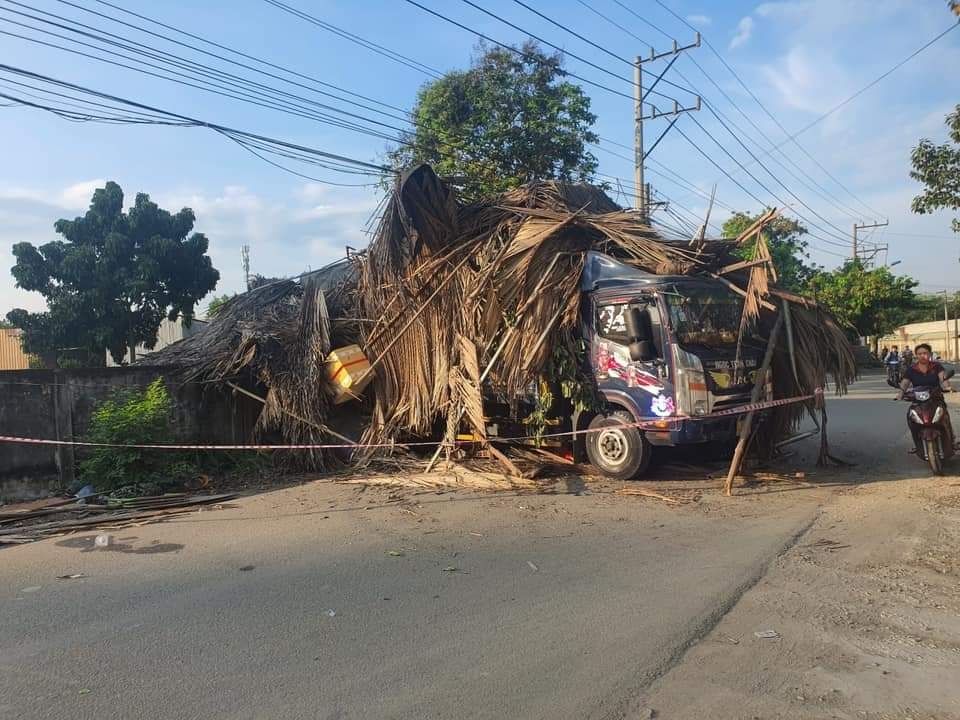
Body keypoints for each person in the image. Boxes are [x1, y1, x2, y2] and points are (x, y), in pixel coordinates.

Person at [897, 343, 953, 453]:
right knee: (911, 418)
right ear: (916, 356)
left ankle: (951, 439)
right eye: (919, 354)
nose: (922, 356)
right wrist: (900, 393)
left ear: (930, 354)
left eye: (925, 353)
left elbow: (943, 378)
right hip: (918, 401)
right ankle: (917, 444)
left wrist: (947, 387)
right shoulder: (911, 369)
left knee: (944, 418)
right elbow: (905, 383)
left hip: (935, 398)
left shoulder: (936, 366)